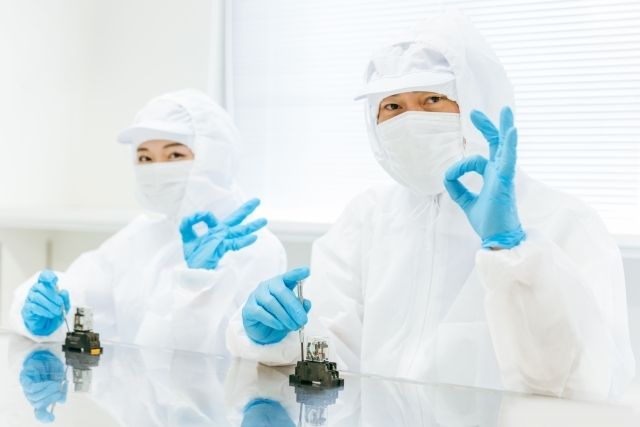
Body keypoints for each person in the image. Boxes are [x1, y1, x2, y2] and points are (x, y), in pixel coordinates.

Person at [227, 11, 635, 398]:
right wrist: (278, 337)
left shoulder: (566, 222)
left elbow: (587, 384)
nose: (410, 120)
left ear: (478, 103)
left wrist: (512, 252)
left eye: (432, 99)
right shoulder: (367, 218)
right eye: (392, 106)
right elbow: (332, 354)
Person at [10, 89, 286, 355]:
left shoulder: (255, 248)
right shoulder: (139, 235)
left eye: (175, 155)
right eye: (145, 157)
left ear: (214, 158)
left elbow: (221, 357)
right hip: (133, 389)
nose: (156, 169)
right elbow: (80, 294)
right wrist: (44, 311)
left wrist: (197, 282)